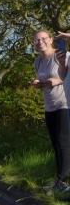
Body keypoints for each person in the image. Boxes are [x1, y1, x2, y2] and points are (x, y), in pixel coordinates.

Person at [35, 30, 70, 194]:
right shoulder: (38, 61)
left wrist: (56, 81)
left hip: (64, 104)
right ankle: (59, 180)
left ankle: (63, 181)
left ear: (50, 40)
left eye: (43, 38)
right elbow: (45, 80)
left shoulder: (62, 55)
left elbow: (63, 77)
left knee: (63, 143)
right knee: (56, 144)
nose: (40, 42)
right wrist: (38, 82)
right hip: (49, 106)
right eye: (36, 40)